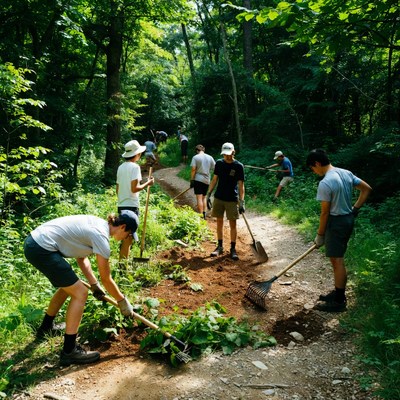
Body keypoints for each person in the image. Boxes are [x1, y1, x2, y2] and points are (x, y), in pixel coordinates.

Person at [23, 211, 139, 366]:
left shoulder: (98, 224)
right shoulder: (101, 237)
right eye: (129, 234)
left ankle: (46, 327)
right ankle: (69, 351)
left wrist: (93, 284)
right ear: (123, 226)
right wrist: (122, 301)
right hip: (42, 249)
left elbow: (81, 258)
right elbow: (107, 278)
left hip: (34, 242)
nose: (127, 238)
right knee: (80, 292)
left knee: (68, 287)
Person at [306, 149, 372, 312]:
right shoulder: (346, 173)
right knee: (336, 259)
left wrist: (320, 235)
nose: (314, 172)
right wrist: (355, 209)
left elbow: (325, 212)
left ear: (317, 164)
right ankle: (337, 292)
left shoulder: (326, 182)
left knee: (337, 260)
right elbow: (367, 189)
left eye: (312, 168)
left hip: (337, 223)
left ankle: (340, 301)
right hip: (347, 219)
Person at [206, 142, 245, 261]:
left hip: (232, 199)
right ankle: (220, 246)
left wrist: (242, 202)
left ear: (233, 152)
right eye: (225, 154)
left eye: (229, 154)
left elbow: (241, 185)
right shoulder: (219, 163)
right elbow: (214, 179)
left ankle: (233, 249)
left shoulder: (239, 166)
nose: (227, 156)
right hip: (219, 197)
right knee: (219, 223)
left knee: (233, 224)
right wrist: (209, 194)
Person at [116, 140, 154, 260]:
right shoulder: (135, 167)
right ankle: (123, 266)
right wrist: (148, 183)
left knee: (126, 236)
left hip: (121, 205)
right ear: (136, 154)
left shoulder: (120, 167)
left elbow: (118, 189)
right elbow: (134, 188)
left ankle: (123, 263)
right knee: (128, 237)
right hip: (131, 206)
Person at [190, 144, 216, 219]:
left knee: (199, 198)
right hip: (207, 180)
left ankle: (201, 215)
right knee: (204, 198)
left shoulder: (195, 157)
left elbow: (193, 169)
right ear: (203, 150)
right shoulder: (210, 157)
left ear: (197, 150)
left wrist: (192, 180)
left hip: (198, 179)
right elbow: (215, 168)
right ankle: (204, 214)